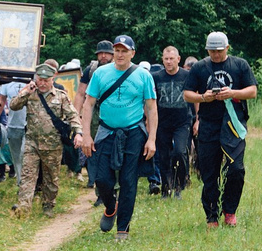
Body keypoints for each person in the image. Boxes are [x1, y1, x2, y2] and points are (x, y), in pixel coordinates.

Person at [81, 34, 159, 236]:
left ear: (132, 53)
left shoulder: (143, 76)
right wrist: (86, 135)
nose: (120, 54)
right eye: (117, 50)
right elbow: (88, 104)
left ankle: (122, 229)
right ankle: (110, 207)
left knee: (128, 180)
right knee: (101, 178)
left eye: (124, 51)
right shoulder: (100, 74)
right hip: (106, 131)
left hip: (134, 132)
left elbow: (151, 108)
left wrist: (151, 139)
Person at [184, 30, 257, 228]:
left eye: (219, 51)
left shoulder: (240, 65)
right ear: (207, 50)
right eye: (212, 51)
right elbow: (187, 94)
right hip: (208, 124)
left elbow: (252, 91)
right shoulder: (199, 67)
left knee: (236, 169)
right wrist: (203, 97)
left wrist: (233, 92)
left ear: (227, 48)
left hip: (233, 125)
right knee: (209, 172)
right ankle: (211, 216)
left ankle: (230, 210)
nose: (216, 55)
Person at [10, 59, 80, 215]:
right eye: (40, 80)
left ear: (52, 80)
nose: (42, 84)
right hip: (32, 142)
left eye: (46, 81)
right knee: (28, 175)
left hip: (53, 145)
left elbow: (72, 115)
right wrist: (25, 92)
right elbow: (13, 105)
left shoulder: (61, 96)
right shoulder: (30, 94)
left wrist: (78, 133)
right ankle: (23, 206)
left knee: (51, 178)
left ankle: (48, 204)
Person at [151, 45, 193, 197]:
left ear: (178, 59)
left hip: (182, 121)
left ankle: (179, 186)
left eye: (171, 59)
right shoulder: (156, 77)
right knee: (163, 156)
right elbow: (151, 101)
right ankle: (165, 188)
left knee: (179, 152)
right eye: (166, 59)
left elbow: (195, 98)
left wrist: (197, 119)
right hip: (162, 122)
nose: (169, 62)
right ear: (162, 59)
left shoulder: (187, 75)